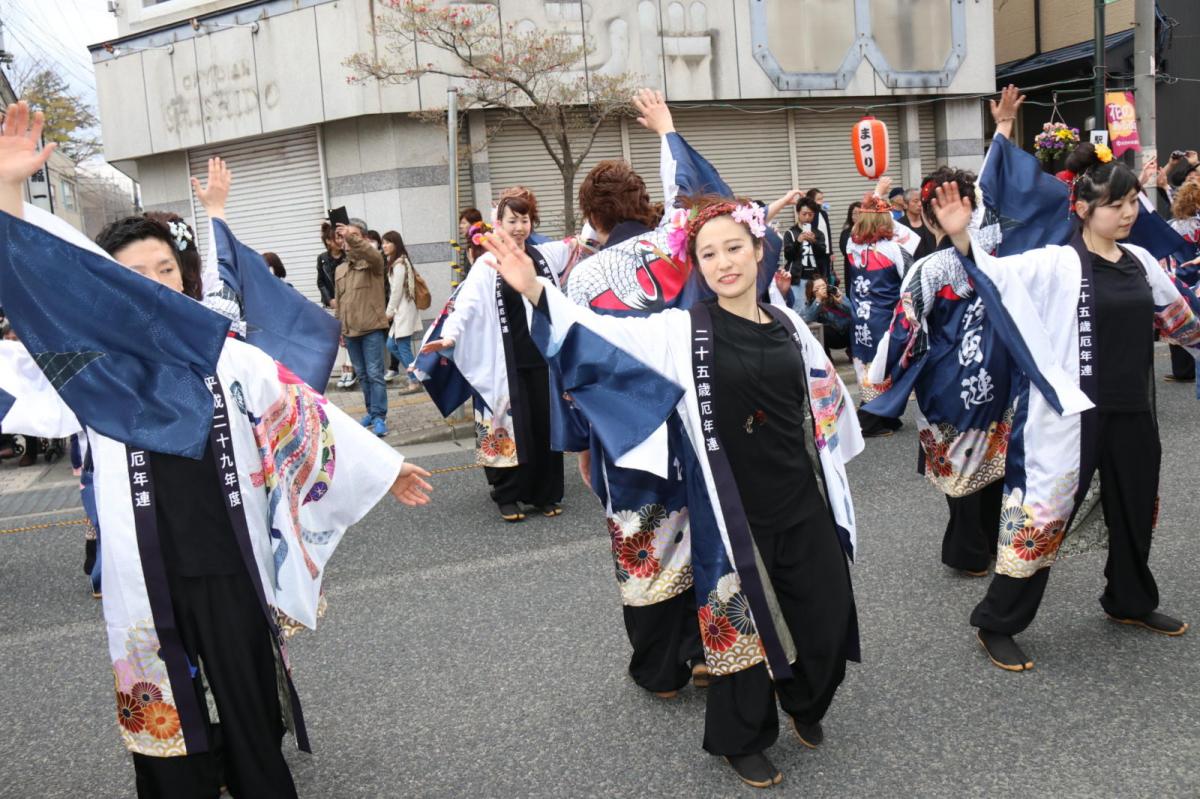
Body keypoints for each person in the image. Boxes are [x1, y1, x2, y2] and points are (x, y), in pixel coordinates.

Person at [0, 99, 435, 799]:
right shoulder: (85, 366)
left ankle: (258, 777)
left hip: (228, 555)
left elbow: (300, 406)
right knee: (160, 695)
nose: (153, 283)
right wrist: (9, 193)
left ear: (185, 278)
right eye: (133, 274)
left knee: (244, 688)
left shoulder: (225, 353)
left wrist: (385, 466)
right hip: (144, 566)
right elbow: (31, 282)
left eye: (165, 270)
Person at [481, 192, 862, 790]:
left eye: (735, 248)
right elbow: (598, 335)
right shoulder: (684, 329)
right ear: (696, 265)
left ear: (760, 251)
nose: (723, 262)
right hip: (730, 503)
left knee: (827, 612)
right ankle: (743, 736)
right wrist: (535, 291)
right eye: (708, 253)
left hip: (801, 495)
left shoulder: (791, 324)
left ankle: (804, 697)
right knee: (737, 624)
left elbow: (826, 400)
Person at [931, 145, 1200, 673]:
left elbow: (1180, 319)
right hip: (1069, 415)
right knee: (1043, 515)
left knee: (1134, 508)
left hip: (1132, 412)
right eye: (1114, 203)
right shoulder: (1055, 262)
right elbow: (995, 277)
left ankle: (1130, 599)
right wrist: (962, 236)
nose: (1126, 213)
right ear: (1082, 208)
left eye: (1131, 201)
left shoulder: (1142, 261)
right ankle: (996, 621)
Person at [421, 187, 575, 521]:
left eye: (525, 220)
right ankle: (507, 494)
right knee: (504, 427)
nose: (519, 227)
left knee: (543, 426)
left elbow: (582, 241)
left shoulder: (544, 256)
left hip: (543, 358)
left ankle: (545, 493)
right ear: (498, 224)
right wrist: (449, 337)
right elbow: (467, 305)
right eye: (512, 220)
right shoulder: (487, 263)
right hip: (502, 361)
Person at [844, 178, 919, 437]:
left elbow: (859, 227)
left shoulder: (852, 247)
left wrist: (877, 195)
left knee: (867, 367)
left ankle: (884, 416)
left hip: (861, 318)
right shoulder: (894, 250)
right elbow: (910, 284)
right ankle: (869, 420)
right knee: (885, 368)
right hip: (885, 319)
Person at [333, 217, 390, 437]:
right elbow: (340, 300)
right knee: (363, 376)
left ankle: (380, 416)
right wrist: (340, 327)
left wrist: (351, 236)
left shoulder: (373, 262)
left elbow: (370, 252)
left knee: (375, 374)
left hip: (371, 329)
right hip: (350, 331)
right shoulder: (340, 270)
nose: (346, 240)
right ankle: (370, 412)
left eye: (352, 235)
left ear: (363, 238)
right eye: (343, 237)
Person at [1166, 181, 1200, 381]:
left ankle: (1181, 370)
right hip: (1197, 277)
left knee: (1179, 321)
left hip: (1178, 277)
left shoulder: (1171, 226)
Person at [383, 230, 424, 393]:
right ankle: (416, 372)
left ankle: (414, 380)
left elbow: (396, 291)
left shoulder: (399, 264)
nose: (384, 245)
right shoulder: (395, 261)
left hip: (404, 310)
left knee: (402, 346)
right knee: (391, 344)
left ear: (396, 244)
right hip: (402, 310)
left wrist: (389, 312)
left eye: (387, 242)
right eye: (383, 242)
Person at [782, 198, 830, 303]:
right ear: (798, 213)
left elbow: (823, 255)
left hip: (815, 278)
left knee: (816, 307)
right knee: (799, 308)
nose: (807, 217)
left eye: (810, 214)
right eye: (804, 214)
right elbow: (788, 256)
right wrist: (798, 241)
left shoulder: (818, 233)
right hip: (797, 279)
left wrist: (814, 242)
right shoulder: (790, 233)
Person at [799, 276, 852, 360]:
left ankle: (853, 353)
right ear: (812, 291)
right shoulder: (811, 304)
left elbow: (853, 311)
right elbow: (807, 319)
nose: (823, 289)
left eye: (824, 285)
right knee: (823, 329)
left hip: (848, 335)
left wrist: (841, 302)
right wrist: (818, 299)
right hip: (831, 338)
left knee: (856, 322)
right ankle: (826, 358)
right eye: (818, 288)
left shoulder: (836, 295)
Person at [903, 188, 937, 259]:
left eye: (921, 201)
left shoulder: (930, 222)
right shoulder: (900, 225)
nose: (920, 204)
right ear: (905, 204)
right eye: (915, 201)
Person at [456, 208, 483, 283]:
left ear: (474, 224)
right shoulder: (470, 245)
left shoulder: (479, 245)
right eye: (460, 223)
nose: (460, 226)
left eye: (464, 223)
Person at [837, 201, 862, 277]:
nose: (857, 216)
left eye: (860, 213)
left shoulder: (870, 231)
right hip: (851, 269)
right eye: (854, 213)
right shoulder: (846, 233)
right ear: (850, 216)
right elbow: (845, 250)